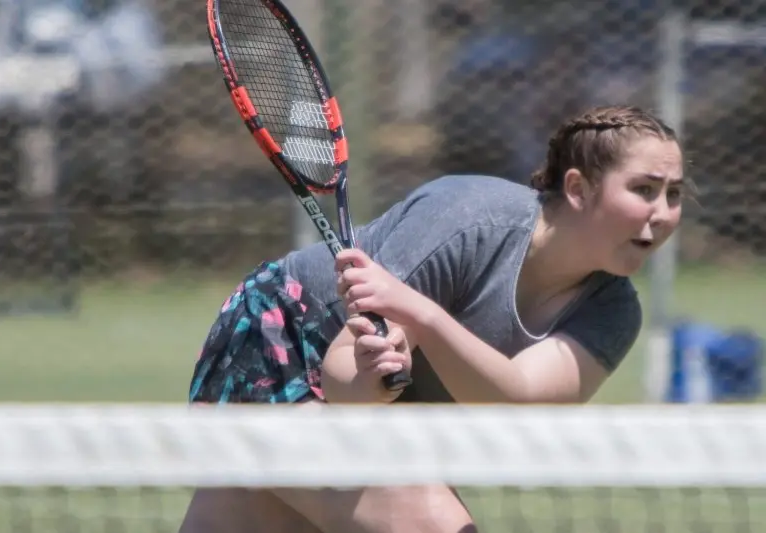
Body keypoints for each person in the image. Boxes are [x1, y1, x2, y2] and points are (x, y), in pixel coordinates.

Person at [180, 104, 685, 533]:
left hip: (387, 411)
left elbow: (520, 402)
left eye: (674, 194)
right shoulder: (466, 220)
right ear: (578, 188)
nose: (662, 212)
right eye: (643, 189)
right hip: (276, 343)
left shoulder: (614, 312)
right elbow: (345, 379)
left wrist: (423, 315)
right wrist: (373, 382)